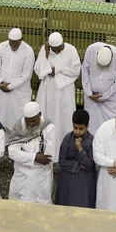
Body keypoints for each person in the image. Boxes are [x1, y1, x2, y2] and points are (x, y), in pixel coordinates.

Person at [34, 32, 81, 161]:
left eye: (60, 48)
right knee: (47, 115)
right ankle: (45, 148)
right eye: (55, 49)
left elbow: (76, 70)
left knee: (64, 117)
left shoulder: (71, 50)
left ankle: (64, 149)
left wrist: (58, 70)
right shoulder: (45, 50)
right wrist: (46, 59)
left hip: (64, 90)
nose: (58, 51)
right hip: (48, 90)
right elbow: (38, 69)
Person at [8, 101, 55, 204]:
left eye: (33, 121)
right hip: (21, 178)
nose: (31, 124)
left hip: (40, 178)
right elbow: (12, 152)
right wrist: (35, 157)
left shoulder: (49, 128)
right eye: (28, 121)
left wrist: (23, 155)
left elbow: (47, 157)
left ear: (40, 114)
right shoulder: (19, 126)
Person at [0, 28, 35, 131]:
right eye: (11, 42)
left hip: (19, 93)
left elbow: (26, 75)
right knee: (0, 120)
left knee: (17, 122)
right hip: (1, 91)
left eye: (15, 43)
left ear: (21, 39)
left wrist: (10, 86)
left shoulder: (28, 51)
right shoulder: (2, 46)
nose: (12, 46)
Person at [56, 108, 97, 209]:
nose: (77, 131)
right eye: (75, 128)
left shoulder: (93, 141)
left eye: (81, 128)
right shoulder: (67, 138)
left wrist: (80, 149)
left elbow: (90, 165)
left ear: (87, 126)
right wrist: (79, 165)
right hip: (67, 179)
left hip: (85, 181)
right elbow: (62, 161)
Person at [81, 43, 116, 136]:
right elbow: (84, 71)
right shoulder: (91, 50)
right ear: (97, 55)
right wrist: (89, 93)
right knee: (91, 127)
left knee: (109, 130)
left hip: (111, 100)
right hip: (91, 99)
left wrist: (104, 96)